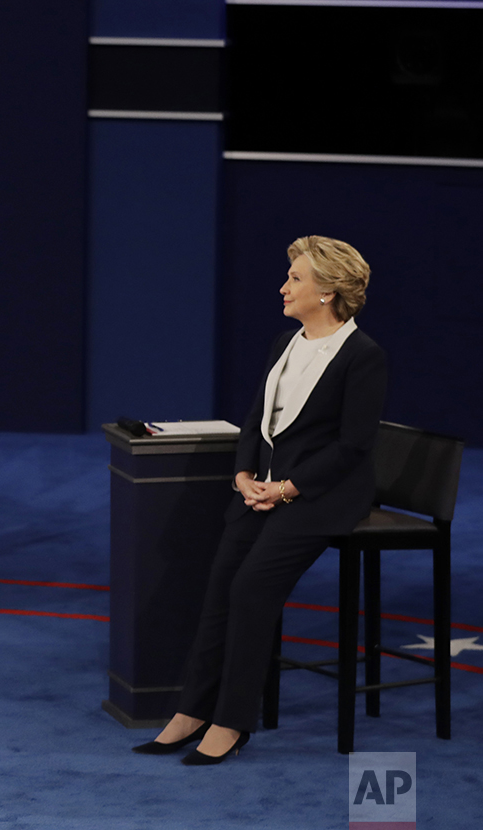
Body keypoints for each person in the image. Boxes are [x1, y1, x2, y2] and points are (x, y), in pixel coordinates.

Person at [132, 236, 386, 765]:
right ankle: (192, 710)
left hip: (321, 498)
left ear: (328, 292)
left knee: (251, 590)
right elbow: (257, 418)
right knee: (221, 585)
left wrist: (288, 488)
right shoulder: (284, 343)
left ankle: (231, 723)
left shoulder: (363, 357)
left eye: (295, 278)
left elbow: (353, 445)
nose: (284, 287)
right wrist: (244, 474)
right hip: (261, 491)